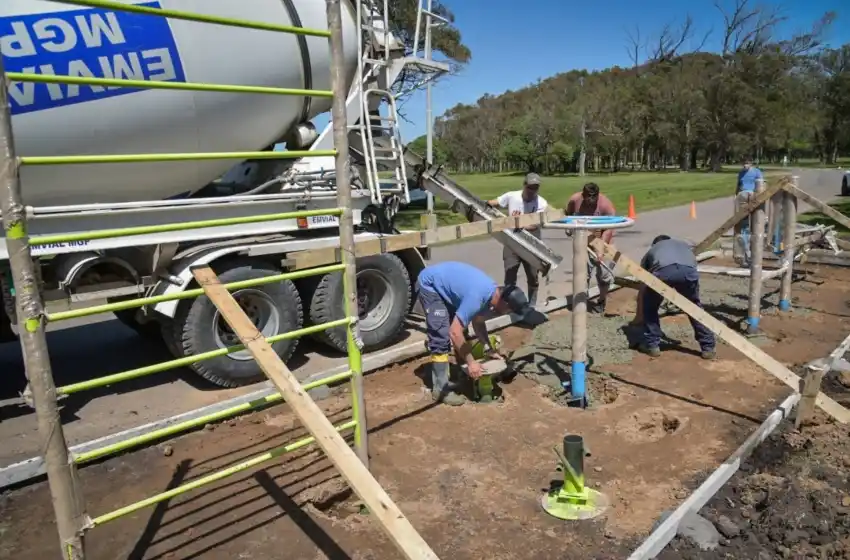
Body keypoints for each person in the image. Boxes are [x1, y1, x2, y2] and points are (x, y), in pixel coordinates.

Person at [416, 261, 545, 406]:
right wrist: (472, 362)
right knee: (442, 335)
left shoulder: (491, 295)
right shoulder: (477, 297)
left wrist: (488, 349)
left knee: (460, 329)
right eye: (509, 311)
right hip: (431, 285)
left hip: (448, 286)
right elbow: (454, 332)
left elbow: (478, 322)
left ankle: (461, 373)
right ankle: (441, 390)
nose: (508, 313)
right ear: (505, 303)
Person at [637, 235, 716, 360]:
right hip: (688, 272)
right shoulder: (682, 245)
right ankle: (708, 347)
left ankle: (652, 345)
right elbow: (692, 266)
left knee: (650, 307)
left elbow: (643, 276)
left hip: (663, 272)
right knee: (694, 307)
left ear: (655, 244)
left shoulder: (653, 249)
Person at [486, 173, 548, 308]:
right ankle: (510, 304)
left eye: (536, 188)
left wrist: (519, 225)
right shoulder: (512, 196)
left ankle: (531, 305)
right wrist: (486, 205)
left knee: (532, 275)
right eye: (530, 187)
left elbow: (535, 225)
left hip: (532, 241)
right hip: (512, 241)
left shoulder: (541, 203)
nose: (533, 191)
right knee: (510, 274)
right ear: (524, 185)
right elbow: (496, 202)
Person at [565, 182, 616, 313]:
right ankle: (582, 301)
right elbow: (568, 214)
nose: (591, 202)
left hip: (603, 240)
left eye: (594, 199)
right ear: (583, 196)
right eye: (588, 199)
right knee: (582, 273)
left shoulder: (605, 205)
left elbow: (609, 229)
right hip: (583, 241)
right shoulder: (575, 200)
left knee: (604, 275)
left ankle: (602, 300)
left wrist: (600, 250)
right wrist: (568, 226)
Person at [733, 157, 765, 266]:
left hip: (753, 195)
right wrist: (735, 195)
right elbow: (738, 185)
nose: (745, 165)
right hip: (743, 195)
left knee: (756, 224)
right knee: (742, 224)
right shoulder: (741, 173)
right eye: (744, 163)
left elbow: (761, 184)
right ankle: (745, 253)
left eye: (747, 163)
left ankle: (753, 253)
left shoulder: (757, 172)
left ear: (751, 163)